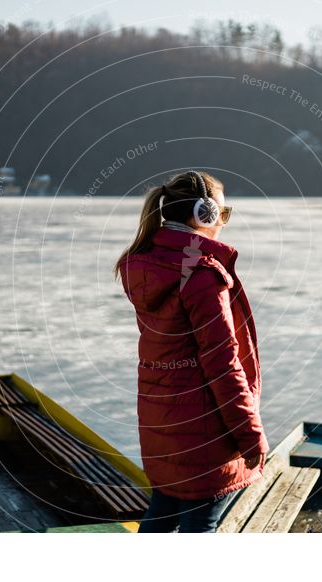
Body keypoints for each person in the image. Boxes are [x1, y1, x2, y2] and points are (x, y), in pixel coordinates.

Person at [114, 170, 269, 533]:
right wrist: (250, 432)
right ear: (207, 216)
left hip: (160, 421)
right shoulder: (201, 277)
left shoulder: (142, 266)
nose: (223, 223)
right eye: (223, 214)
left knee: (164, 510)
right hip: (203, 431)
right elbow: (222, 364)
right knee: (202, 524)